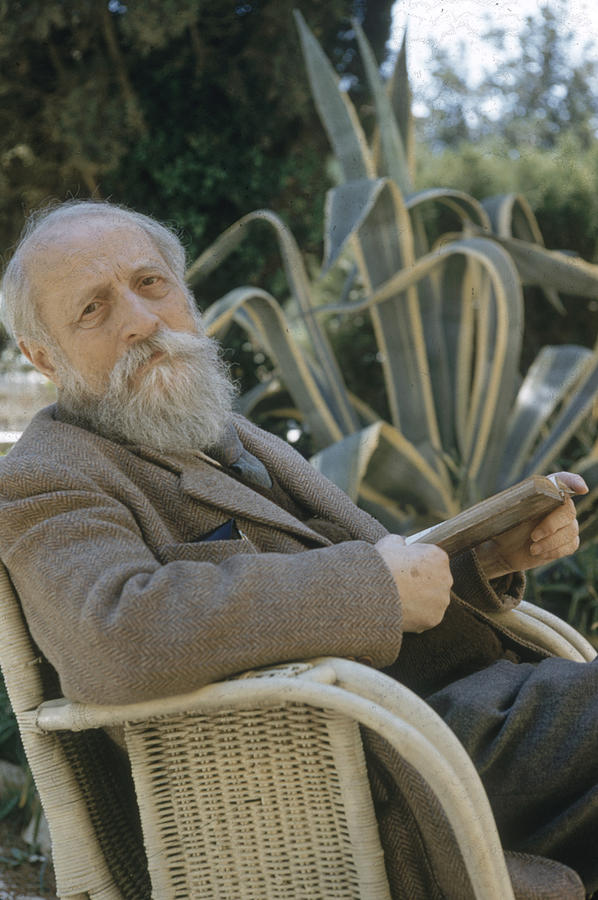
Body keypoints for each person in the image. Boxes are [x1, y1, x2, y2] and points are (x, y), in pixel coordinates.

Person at [0, 200, 595, 896]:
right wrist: (376, 588)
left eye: (151, 283)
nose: (141, 319)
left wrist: (484, 558)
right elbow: (112, 636)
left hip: (451, 723)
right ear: (45, 357)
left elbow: (369, 578)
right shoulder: (45, 474)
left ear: (186, 295)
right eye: (94, 310)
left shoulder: (229, 434)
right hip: (354, 782)